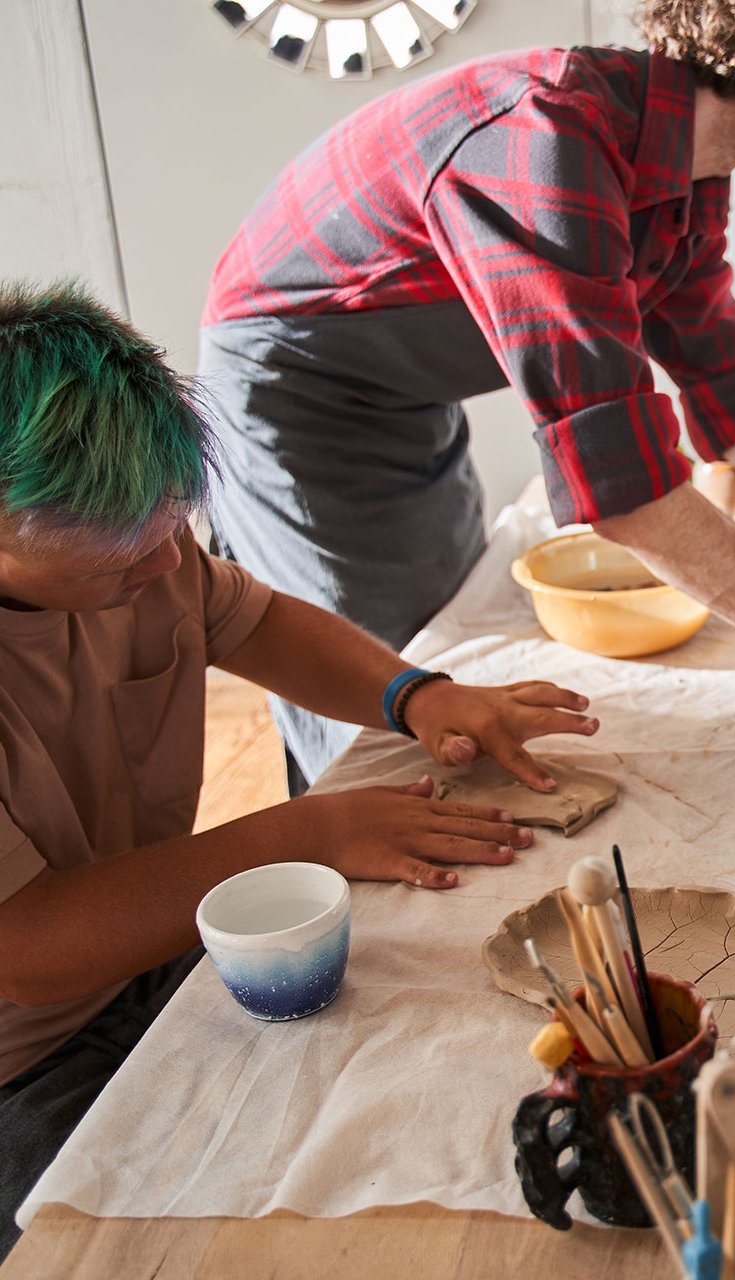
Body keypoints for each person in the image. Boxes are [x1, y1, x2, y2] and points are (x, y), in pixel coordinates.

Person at [199, 0, 735, 791]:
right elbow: (627, 495)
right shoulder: (544, 141)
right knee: (387, 715)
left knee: (453, 644)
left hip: (408, 393)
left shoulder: (690, 171)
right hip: (294, 394)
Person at [0, 283, 598, 1253]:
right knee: (150, 1244)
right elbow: (25, 948)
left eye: (170, 534)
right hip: (23, 1061)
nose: (162, 569)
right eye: (119, 562)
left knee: (405, 1107)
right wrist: (301, 834)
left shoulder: (147, 556)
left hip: (150, 957)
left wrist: (417, 694)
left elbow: (253, 617)